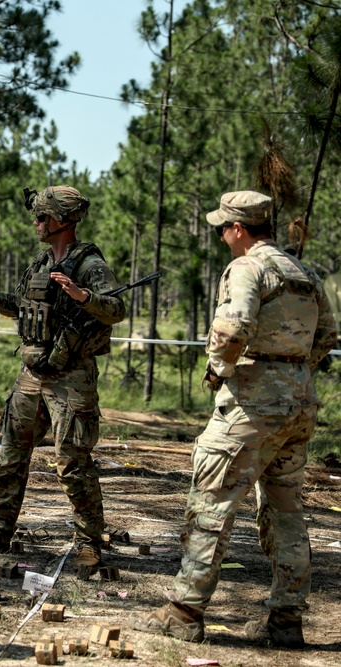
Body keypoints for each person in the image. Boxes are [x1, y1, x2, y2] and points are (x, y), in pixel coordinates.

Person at [130, 191, 336, 647]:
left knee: (211, 502)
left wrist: (218, 370)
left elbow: (233, 327)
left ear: (239, 228)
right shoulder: (304, 271)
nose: (222, 235)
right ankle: (286, 621)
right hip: (299, 403)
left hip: (251, 405)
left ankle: (184, 611)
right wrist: (292, 369)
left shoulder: (248, 267)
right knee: (286, 512)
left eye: (223, 227)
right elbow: (327, 334)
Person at [0, 185, 126, 580]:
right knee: (11, 454)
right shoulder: (41, 263)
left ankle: (88, 543)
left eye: (43, 217)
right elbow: (21, 308)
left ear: (63, 220)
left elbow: (116, 309)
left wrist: (83, 297)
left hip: (71, 376)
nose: (37, 223)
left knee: (72, 461)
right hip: (32, 372)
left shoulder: (90, 264)